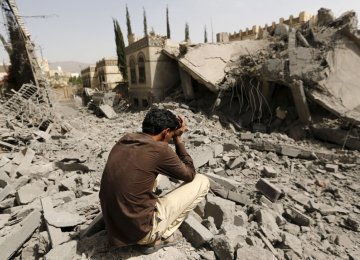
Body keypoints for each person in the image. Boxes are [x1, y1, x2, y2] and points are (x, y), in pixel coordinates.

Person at [99, 108, 210, 254]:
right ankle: (159, 236)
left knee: (153, 171)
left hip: (113, 224)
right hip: (141, 232)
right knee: (202, 181)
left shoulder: (126, 139)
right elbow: (189, 174)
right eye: (170, 136)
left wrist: (173, 133)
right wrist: (178, 139)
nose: (170, 139)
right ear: (165, 132)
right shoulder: (159, 150)